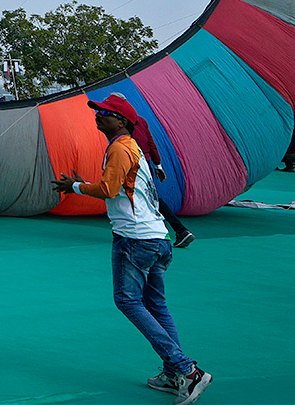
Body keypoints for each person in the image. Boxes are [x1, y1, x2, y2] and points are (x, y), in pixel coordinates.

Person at [52, 95, 211, 405]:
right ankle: (173, 372)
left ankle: (186, 370)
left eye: (105, 113)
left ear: (121, 121)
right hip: (157, 238)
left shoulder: (119, 149)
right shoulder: (131, 147)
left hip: (135, 239)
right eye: (97, 111)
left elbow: (109, 189)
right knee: (156, 305)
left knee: (126, 300)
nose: (98, 116)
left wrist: (74, 186)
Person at [122, 95, 195, 247]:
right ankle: (176, 230)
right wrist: (157, 165)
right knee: (148, 198)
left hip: (135, 164)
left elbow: (131, 147)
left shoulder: (124, 123)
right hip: (146, 163)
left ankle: (174, 230)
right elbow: (151, 143)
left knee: (148, 199)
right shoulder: (141, 120)